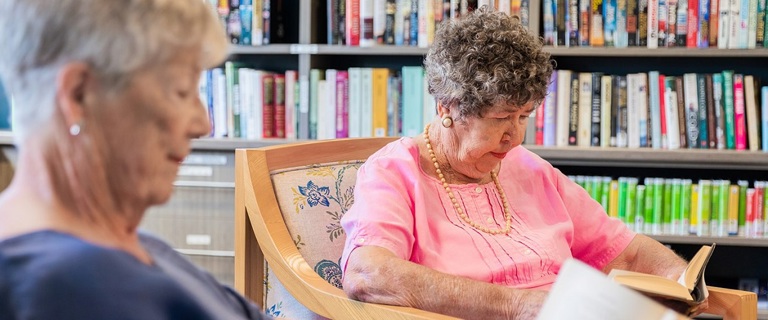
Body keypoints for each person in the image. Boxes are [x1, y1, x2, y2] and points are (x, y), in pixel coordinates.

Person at [340, 7, 706, 319]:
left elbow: (625, 253)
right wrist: (517, 305)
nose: (515, 137)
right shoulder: (394, 172)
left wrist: (682, 282)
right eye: (501, 118)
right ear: (447, 106)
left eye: (525, 115)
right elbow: (368, 274)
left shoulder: (529, 168)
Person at [0, 1, 270, 319]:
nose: (203, 124)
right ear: (79, 94)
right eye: (182, 91)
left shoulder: (135, 247)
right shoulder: (70, 286)